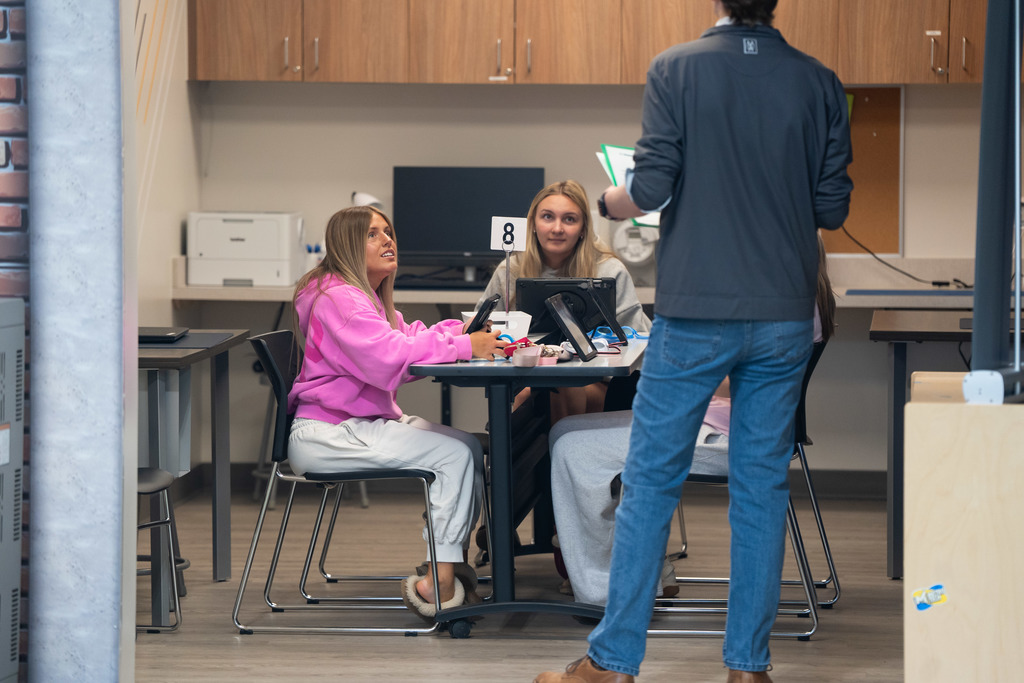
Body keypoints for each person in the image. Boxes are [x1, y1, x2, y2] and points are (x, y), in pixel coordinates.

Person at [534, 0, 853, 680]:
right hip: (783, 316)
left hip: (695, 314)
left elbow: (648, 187)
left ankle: (613, 663)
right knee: (761, 490)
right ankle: (747, 667)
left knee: (650, 484)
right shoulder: (820, 82)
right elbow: (832, 208)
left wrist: (608, 200)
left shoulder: (673, 70)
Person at [549, 234, 835, 608]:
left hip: (736, 440)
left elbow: (737, 379)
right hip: (732, 424)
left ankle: (609, 591)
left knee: (572, 447)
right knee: (565, 431)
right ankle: (641, 566)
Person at [286, 206, 507, 621]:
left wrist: (459, 332)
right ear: (348, 246)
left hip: (352, 424)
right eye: (373, 235)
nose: (388, 240)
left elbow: (403, 338)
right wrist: (464, 347)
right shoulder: (337, 298)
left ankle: (447, 562)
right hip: (329, 433)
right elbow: (387, 360)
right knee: (453, 455)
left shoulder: (359, 295)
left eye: (388, 231)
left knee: (466, 447)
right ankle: (437, 583)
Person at [477, 179, 651, 421]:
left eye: (569, 219)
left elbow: (638, 348)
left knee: (558, 390)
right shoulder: (511, 270)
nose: (557, 228)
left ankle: (562, 456)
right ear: (533, 225)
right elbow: (478, 332)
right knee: (527, 395)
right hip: (527, 379)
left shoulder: (609, 271)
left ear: (582, 228)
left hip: (598, 383)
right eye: (548, 217)